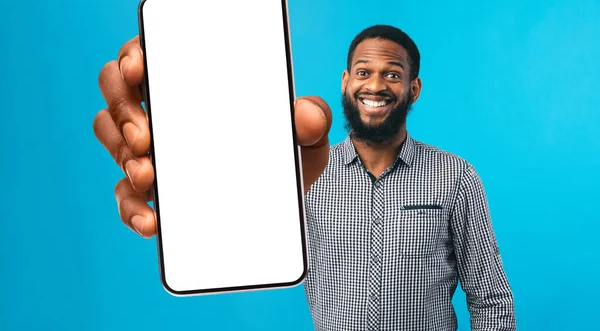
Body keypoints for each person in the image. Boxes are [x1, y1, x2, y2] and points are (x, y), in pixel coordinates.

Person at [93, 24, 516, 331]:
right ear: (346, 81)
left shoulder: (455, 176)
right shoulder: (305, 175)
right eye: (364, 72)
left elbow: (490, 298)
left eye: (393, 73)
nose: (377, 84)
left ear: (414, 88)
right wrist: (194, 190)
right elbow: (241, 237)